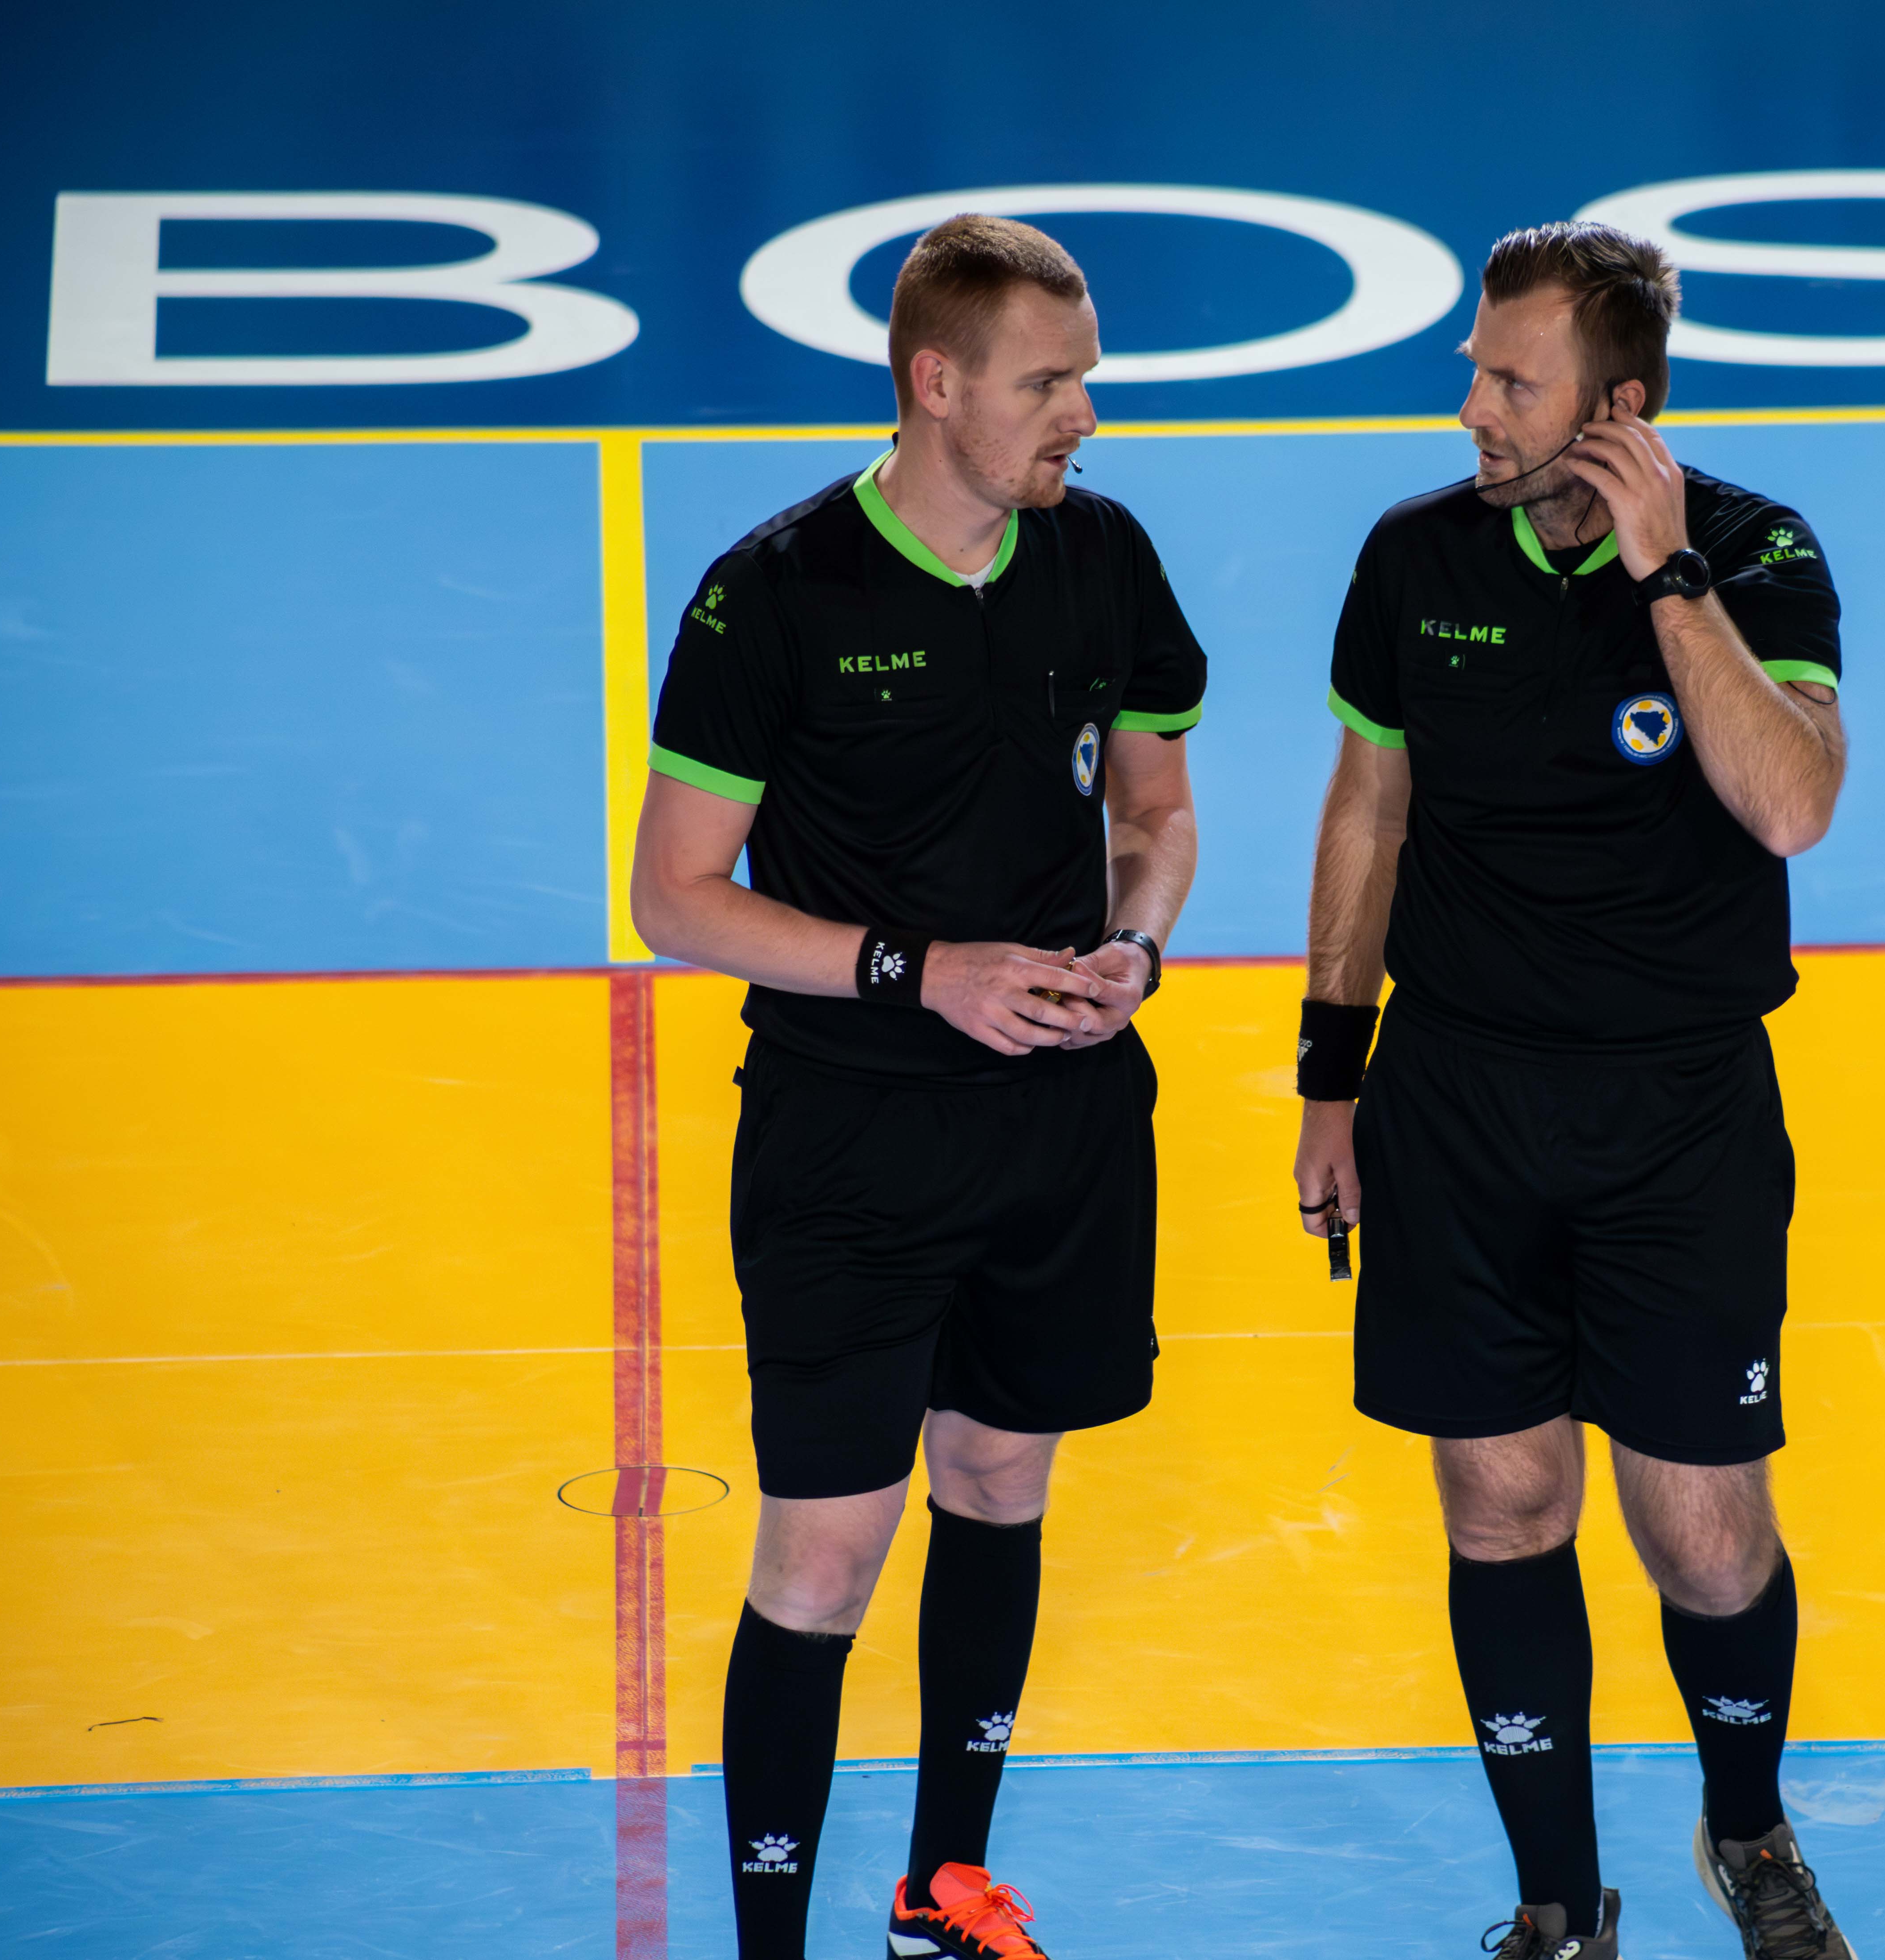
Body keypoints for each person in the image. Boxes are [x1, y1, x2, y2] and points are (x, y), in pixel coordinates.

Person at [632, 214, 1204, 1960]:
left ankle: (942, 1891)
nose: (1081, 413)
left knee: (1001, 1483)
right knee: (825, 1552)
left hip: (1062, 1124)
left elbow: (1156, 812)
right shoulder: (773, 592)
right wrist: (920, 968)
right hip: (851, 1137)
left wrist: (1135, 947)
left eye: (1086, 378)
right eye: (1046, 383)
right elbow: (675, 898)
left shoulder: (1103, 554)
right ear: (934, 383)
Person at [1292, 221, 1855, 1960]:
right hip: (1457, 1102)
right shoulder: (1413, 556)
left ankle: (1748, 1832)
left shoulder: (1756, 553)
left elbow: (1792, 804)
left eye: (1511, 381)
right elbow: (1368, 811)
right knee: (1504, 1503)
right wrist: (1330, 1075)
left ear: (1620, 409)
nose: (1473, 406)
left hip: (1678, 1114)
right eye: (1476, 369)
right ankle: (1557, 1902)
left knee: (1704, 1530)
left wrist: (1667, 577)